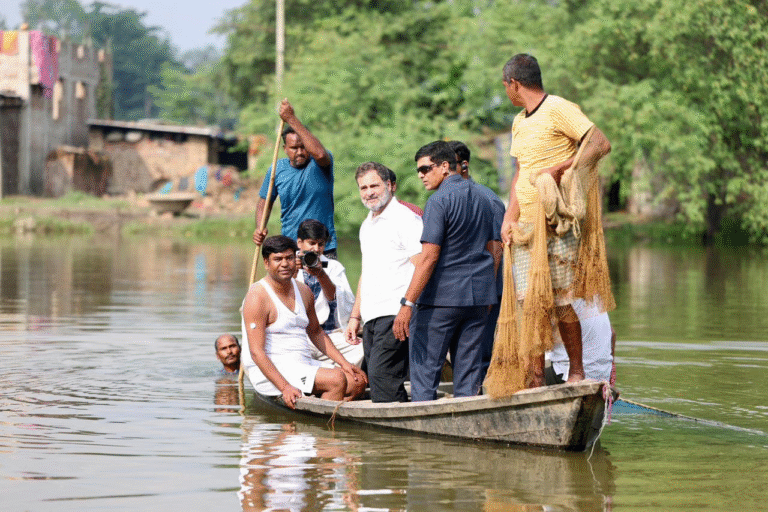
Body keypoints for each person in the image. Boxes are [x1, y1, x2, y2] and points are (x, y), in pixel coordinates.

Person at [500, 53, 612, 385]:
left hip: (557, 221)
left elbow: (599, 143)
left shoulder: (559, 108)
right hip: (526, 226)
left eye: (506, 86)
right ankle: (535, 377)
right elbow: (521, 173)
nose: (507, 91)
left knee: (561, 298)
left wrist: (559, 169)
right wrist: (509, 217)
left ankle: (576, 372)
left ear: (514, 84)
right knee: (528, 302)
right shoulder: (519, 120)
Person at [393, 141, 499, 401]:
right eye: (419, 170)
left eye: (426, 169)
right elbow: (494, 250)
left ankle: (423, 427)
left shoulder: (439, 201)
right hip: (478, 300)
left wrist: (407, 303)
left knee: (425, 372)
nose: (421, 175)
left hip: (442, 300)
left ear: (444, 166)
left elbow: (428, 258)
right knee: (469, 375)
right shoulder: (486, 198)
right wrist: (488, 292)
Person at [241, 236, 367, 408]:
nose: (285, 264)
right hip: (271, 370)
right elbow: (256, 353)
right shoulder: (257, 297)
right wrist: (284, 387)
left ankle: (321, 411)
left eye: (289, 258)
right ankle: (324, 428)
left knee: (358, 381)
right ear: (266, 263)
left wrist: (346, 364)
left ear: (296, 259)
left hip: (302, 363)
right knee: (336, 380)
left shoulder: (304, 290)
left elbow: (315, 332)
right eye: (277, 259)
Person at [345, 162, 423, 402]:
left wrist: (407, 307)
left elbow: (423, 266)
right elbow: (367, 273)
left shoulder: (405, 219)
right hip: (371, 316)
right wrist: (355, 316)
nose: (369, 192)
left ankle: (401, 435)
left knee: (382, 380)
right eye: (363, 187)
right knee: (378, 382)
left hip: (395, 312)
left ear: (390, 185)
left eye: (374, 185)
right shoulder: (367, 224)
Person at [447, 140, 505, 381]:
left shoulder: (486, 199)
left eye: (448, 166)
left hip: (483, 293)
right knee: (461, 356)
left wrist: (488, 294)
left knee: (479, 356)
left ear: (463, 165)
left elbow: (496, 250)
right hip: (457, 293)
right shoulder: (447, 198)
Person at [252, 99, 338, 258]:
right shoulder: (277, 169)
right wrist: (260, 227)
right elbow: (264, 202)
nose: (299, 152)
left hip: (323, 248)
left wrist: (291, 118)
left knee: (324, 282)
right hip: (291, 249)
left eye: (303, 147)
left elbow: (319, 153)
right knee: (294, 284)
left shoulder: (321, 163)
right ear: (285, 149)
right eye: (294, 148)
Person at [294, 218, 363, 367]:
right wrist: (293, 271)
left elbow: (335, 298)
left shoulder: (332, 266)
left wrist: (321, 274)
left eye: (321, 244)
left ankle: (334, 376)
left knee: (361, 349)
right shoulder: (288, 263)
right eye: (311, 243)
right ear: (300, 243)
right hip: (299, 335)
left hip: (329, 334)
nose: (316, 249)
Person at [545, 299, 616, 385]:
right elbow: (612, 333)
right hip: (604, 375)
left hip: (569, 375)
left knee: (532, 366)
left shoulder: (558, 298)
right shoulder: (595, 296)